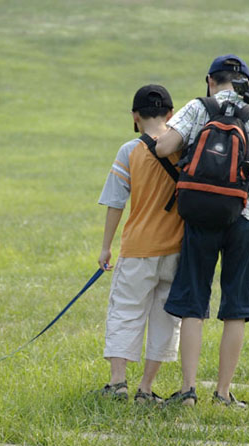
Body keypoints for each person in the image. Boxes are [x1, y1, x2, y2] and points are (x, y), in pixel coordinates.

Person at [155, 54, 249, 407]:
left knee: (193, 302)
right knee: (236, 307)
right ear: (245, 83)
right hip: (244, 216)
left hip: (199, 214)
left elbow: (163, 146)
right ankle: (223, 393)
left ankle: (187, 391)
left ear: (209, 80)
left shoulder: (199, 107)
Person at [97, 84, 184, 403]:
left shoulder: (129, 151)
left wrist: (106, 247)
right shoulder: (182, 147)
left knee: (125, 312)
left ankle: (118, 383)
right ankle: (146, 389)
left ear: (135, 116)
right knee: (165, 318)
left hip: (137, 249)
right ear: (171, 114)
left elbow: (116, 201)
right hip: (176, 250)